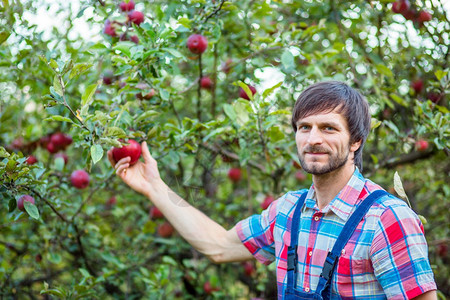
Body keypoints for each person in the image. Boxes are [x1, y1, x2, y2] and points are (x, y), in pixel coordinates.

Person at [108, 81, 437, 299]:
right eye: (304, 127)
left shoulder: (387, 220)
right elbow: (219, 245)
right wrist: (154, 186)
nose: (313, 139)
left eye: (328, 128)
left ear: (356, 141)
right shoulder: (288, 212)